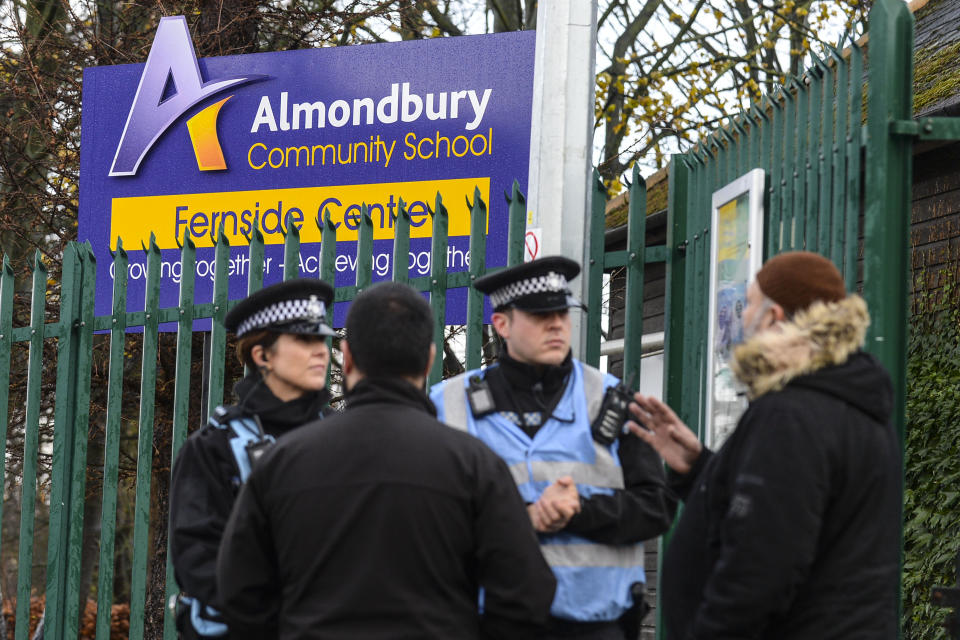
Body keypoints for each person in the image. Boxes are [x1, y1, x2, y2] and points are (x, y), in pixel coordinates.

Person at [216, 281, 557, 639]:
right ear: (428, 359)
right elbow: (527, 593)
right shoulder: (475, 465)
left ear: (346, 358)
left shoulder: (281, 461)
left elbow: (238, 592)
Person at [628, 251, 901, 639]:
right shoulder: (852, 405)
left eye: (749, 303)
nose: (742, 316)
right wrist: (702, 469)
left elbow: (759, 569)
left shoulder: (789, 415)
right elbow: (792, 514)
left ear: (772, 317)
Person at [430, 256, 675, 640]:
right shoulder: (447, 403)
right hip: (488, 620)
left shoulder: (610, 399)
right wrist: (522, 519)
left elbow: (656, 508)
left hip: (594, 624)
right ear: (502, 324)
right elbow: (427, 516)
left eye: (563, 313)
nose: (557, 324)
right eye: (540, 316)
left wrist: (580, 509)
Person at [169, 277, 336, 639]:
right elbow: (197, 562)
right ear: (262, 356)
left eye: (322, 339)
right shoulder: (213, 448)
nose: (322, 350)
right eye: (305, 340)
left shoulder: (345, 435)